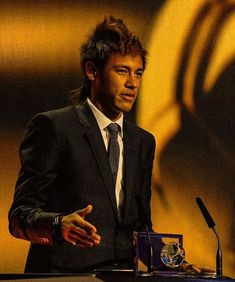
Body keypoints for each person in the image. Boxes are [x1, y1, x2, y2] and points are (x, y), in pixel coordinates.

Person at [8, 16, 203, 274]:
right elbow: (18, 217)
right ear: (92, 71)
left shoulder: (142, 142)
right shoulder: (54, 127)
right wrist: (57, 225)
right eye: (122, 71)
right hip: (65, 278)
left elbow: (140, 230)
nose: (132, 83)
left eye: (138, 73)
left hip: (123, 277)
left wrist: (177, 265)